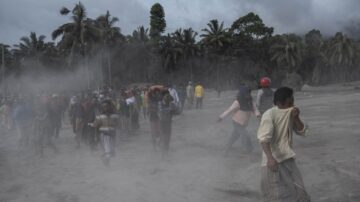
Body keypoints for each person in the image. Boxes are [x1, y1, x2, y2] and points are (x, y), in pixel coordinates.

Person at [257, 87, 310, 202]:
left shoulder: (292, 113)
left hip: (288, 159)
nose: (292, 105)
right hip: (272, 161)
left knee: (300, 193)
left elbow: (303, 131)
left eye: (293, 102)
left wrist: (296, 118)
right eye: (289, 103)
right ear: (279, 103)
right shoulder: (269, 114)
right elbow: (264, 139)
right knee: (275, 196)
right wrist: (270, 159)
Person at [217, 85, 260, 156]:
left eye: (248, 93)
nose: (247, 94)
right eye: (246, 93)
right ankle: (251, 153)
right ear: (242, 93)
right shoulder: (237, 102)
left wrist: (258, 115)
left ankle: (226, 150)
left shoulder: (250, 101)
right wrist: (221, 117)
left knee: (234, 136)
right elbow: (229, 110)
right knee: (245, 136)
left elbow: (255, 109)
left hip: (244, 123)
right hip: (237, 122)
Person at [89, 100, 119, 166]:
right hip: (104, 135)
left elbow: (118, 124)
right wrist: (91, 125)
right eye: (105, 107)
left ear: (111, 107)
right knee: (108, 150)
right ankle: (106, 162)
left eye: (107, 106)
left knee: (111, 151)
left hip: (112, 135)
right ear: (102, 108)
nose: (106, 108)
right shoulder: (100, 116)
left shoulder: (115, 115)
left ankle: (104, 159)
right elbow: (95, 125)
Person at [159, 90, 175, 159]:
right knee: (163, 138)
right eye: (166, 95)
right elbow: (161, 110)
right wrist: (170, 109)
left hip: (168, 122)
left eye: (168, 96)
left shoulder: (170, 103)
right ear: (163, 96)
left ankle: (166, 153)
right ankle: (163, 154)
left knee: (168, 139)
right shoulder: (160, 103)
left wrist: (171, 107)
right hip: (162, 122)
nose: (167, 97)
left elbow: (176, 111)